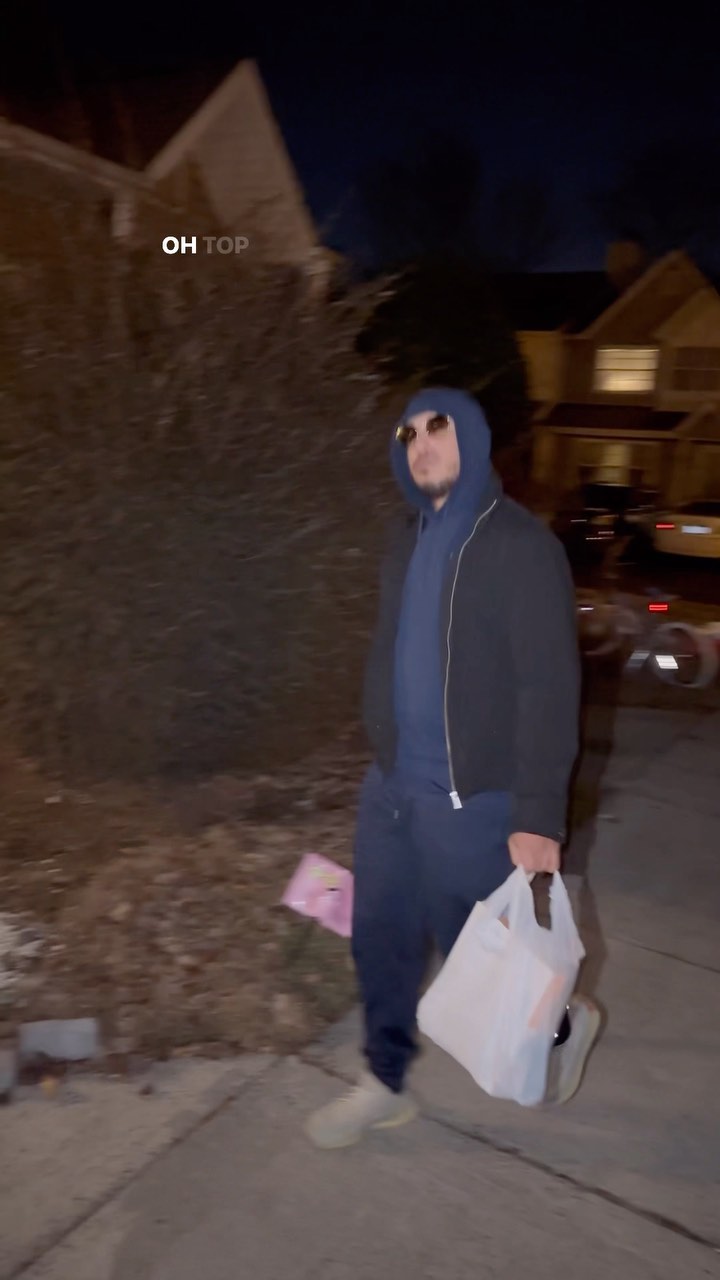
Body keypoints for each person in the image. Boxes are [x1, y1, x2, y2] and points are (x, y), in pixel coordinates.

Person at [305, 387, 600, 1150]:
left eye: (438, 427)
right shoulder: (403, 538)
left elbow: (548, 686)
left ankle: (562, 1023)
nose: (423, 443)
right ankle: (384, 1081)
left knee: (484, 955)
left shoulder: (520, 545)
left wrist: (539, 814)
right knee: (379, 937)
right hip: (393, 787)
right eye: (409, 433)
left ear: (471, 437)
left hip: (474, 799)